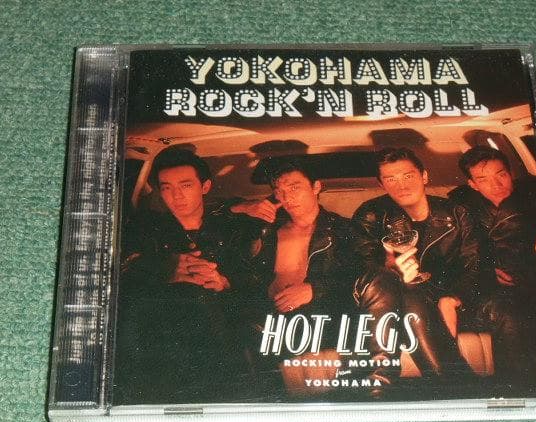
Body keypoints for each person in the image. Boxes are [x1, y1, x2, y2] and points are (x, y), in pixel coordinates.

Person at [114, 147, 253, 405]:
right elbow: (120, 281)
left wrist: (224, 283)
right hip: (163, 349)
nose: (176, 195)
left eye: (186, 185)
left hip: (220, 348)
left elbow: (253, 289)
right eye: (166, 188)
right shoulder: (144, 228)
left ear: (205, 187)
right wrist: (163, 268)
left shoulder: (233, 231)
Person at [351, 148, 481, 397]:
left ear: (424, 176)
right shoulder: (371, 215)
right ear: (381, 184)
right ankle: (454, 388)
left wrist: (453, 299)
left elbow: (474, 266)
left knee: (413, 298)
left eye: (408, 176)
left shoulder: (456, 213)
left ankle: (380, 386)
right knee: (408, 294)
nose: (401, 185)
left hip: (442, 297)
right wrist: (389, 267)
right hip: (392, 302)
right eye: (391, 179)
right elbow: (361, 268)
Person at [449, 145, 536, 395]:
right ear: (472, 184)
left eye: (501, 175)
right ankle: (520, 387)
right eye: (483, 179)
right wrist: (487, 270)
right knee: (508, 312)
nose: (496, 185)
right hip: (491, 288)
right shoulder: (459, 208)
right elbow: (458, 254)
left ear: (511, 173)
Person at [237, 159, 356, 398]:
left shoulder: (344, 229)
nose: (287, 197)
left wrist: (314, 289)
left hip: (321, 317)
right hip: (268, 318)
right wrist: (244, 207)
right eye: (279, 191)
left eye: (294, 188)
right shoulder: (266, 230)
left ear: (316, 187)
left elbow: (362, 279)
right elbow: (213, 213)